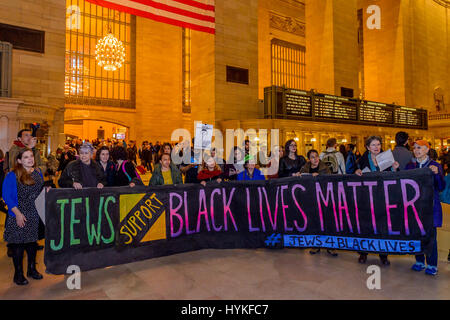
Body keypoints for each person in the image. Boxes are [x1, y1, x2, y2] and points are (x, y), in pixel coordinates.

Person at [2, 148, 46, 285]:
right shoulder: (12, 175)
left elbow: (40, 191)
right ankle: (18, 274)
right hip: (18, 214)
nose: (30, 159)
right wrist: (18, 214)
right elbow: (7, 196)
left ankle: (32, 269)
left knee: (32, 244)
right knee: (19, 247)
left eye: (31, 156)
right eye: (26, 157)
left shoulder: (38, 172)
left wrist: (47, 190)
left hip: (34, 214)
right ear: (19, 160)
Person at [355, 136, 400, 266]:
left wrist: (395, 168)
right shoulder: (362, 160)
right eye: (374, 145)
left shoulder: (387, 158)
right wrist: (356, 171)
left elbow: (394, 176)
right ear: (368, 147)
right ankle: (363, 253)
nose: (377, 147)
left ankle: (383, 255)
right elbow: (353, 173)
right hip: (366, 197)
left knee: (382, 225)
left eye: (378, 144)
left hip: (382, 197)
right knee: (366, 225)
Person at [406, 140, 445, 276]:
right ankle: (419, 261)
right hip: (415, 208)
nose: (416, 150)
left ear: (427, 150)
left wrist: (437, 174)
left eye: (420, 148)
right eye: (415, 148)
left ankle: (432, 264)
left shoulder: (435, 165)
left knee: (431, 237)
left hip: (431, 206)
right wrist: (395, 169)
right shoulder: (410, 166)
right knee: (417, 235)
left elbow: (441, 187)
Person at [296, 150, 338, 256]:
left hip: (324, 198)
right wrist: (298, 176)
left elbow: (330, 180)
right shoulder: (304, 168)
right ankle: (316, 244)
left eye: (316, 156)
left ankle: (330, 246)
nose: (315, 159)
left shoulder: (325, 168)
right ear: (309, 159)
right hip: (311, 198)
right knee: (314, 221)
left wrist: (319, 176)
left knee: (327, 221)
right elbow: (300, 181)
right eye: (312, 157)